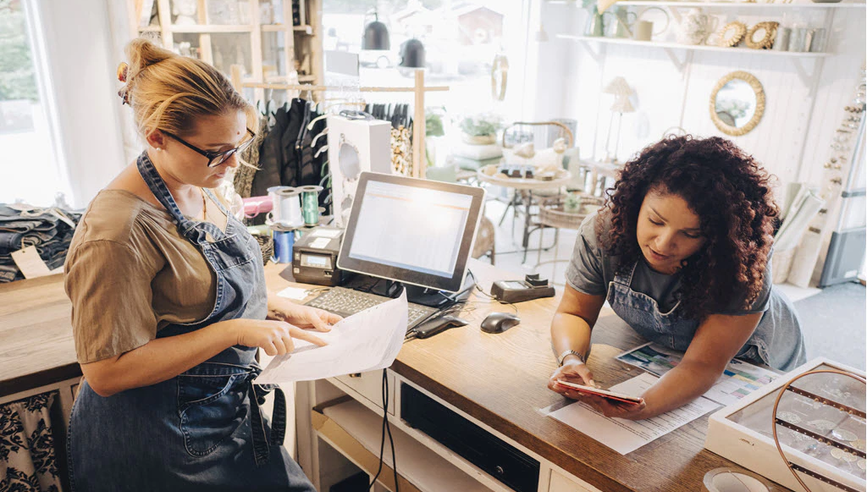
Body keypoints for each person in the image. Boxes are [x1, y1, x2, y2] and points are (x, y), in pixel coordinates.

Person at [64, 38, 339, 491]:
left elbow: (186, 293)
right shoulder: (117, 232)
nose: (233, 164)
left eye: (240, 143)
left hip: (224, 418)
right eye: (217, 152)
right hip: (161, 445)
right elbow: (106, 372)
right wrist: (234, 331)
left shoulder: (196, 181)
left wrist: (270, 308)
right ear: (156, 137)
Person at [547, 135, 806, 420]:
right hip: (672, 353)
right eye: (655, 221)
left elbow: (703, 364)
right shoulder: (604, 232)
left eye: (690, 234)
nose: (662, 244)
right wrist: (570, 358)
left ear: (715, 237)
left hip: (758, 357)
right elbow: (574, 313)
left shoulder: (738, 259)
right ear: (636, 203)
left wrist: (646, 405)